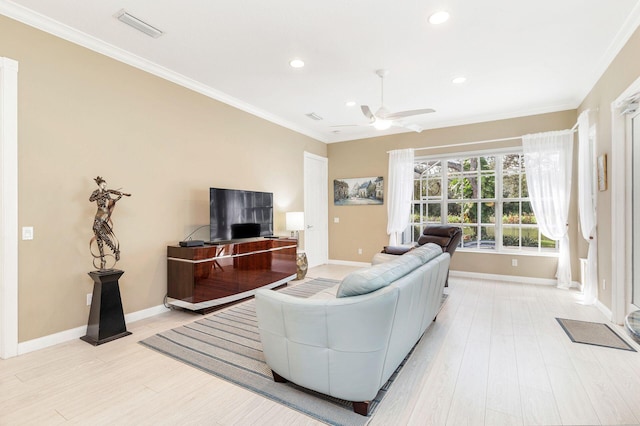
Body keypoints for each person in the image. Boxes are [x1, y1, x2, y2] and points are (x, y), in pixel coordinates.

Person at [89, 176, 131, 269]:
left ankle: (114, 249)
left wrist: (119, 197)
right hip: (98, 211)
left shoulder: (106, 193)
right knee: (97, 234)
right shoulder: (96, 192)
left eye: (105, 185)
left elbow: (112, 200)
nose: (105, 187)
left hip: (104, 212)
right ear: (100, 185)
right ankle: (103, 258)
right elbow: (91, 199)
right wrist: (100, 195)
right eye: (104, 185)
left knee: (96, 229)